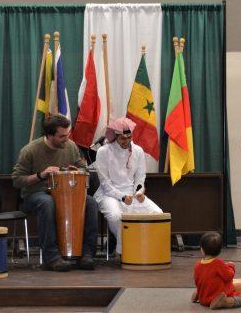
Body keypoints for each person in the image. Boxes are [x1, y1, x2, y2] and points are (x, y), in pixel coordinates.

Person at [12, 113, 99, 272]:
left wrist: (77, 169)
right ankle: (51, 258)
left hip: (67, 193)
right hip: (36, 195)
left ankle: (87, 254)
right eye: (62, 137)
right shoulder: (30, 150)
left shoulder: (71, 146)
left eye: (67, 135)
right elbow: (17, 180)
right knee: (47, 203)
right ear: (50, 135)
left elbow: (83, 168)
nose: (66, 139)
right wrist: (41, 175)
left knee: (91, 202)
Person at [94, 117, 162, 256]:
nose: (127, 141)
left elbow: (140, 178)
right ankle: (126, 253)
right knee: (116, 217)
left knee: (158, 214)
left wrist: (139, 191)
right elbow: (105, 184)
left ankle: (150, 251)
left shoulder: (138, 151)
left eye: (129, 137)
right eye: (123, 138)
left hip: (132, 194)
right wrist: (122, 197)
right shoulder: (103, 152)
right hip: (109, 195)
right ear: (115, 136)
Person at [193, 232, 241, 309]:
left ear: (202, 249)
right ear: (220, 250)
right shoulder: (218, 263)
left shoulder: (198, 264)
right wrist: (231, 266)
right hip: (215, 298)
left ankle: (198, 294)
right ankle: (224, 302)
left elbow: (197, 281)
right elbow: (229, 276)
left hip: (203, 298)